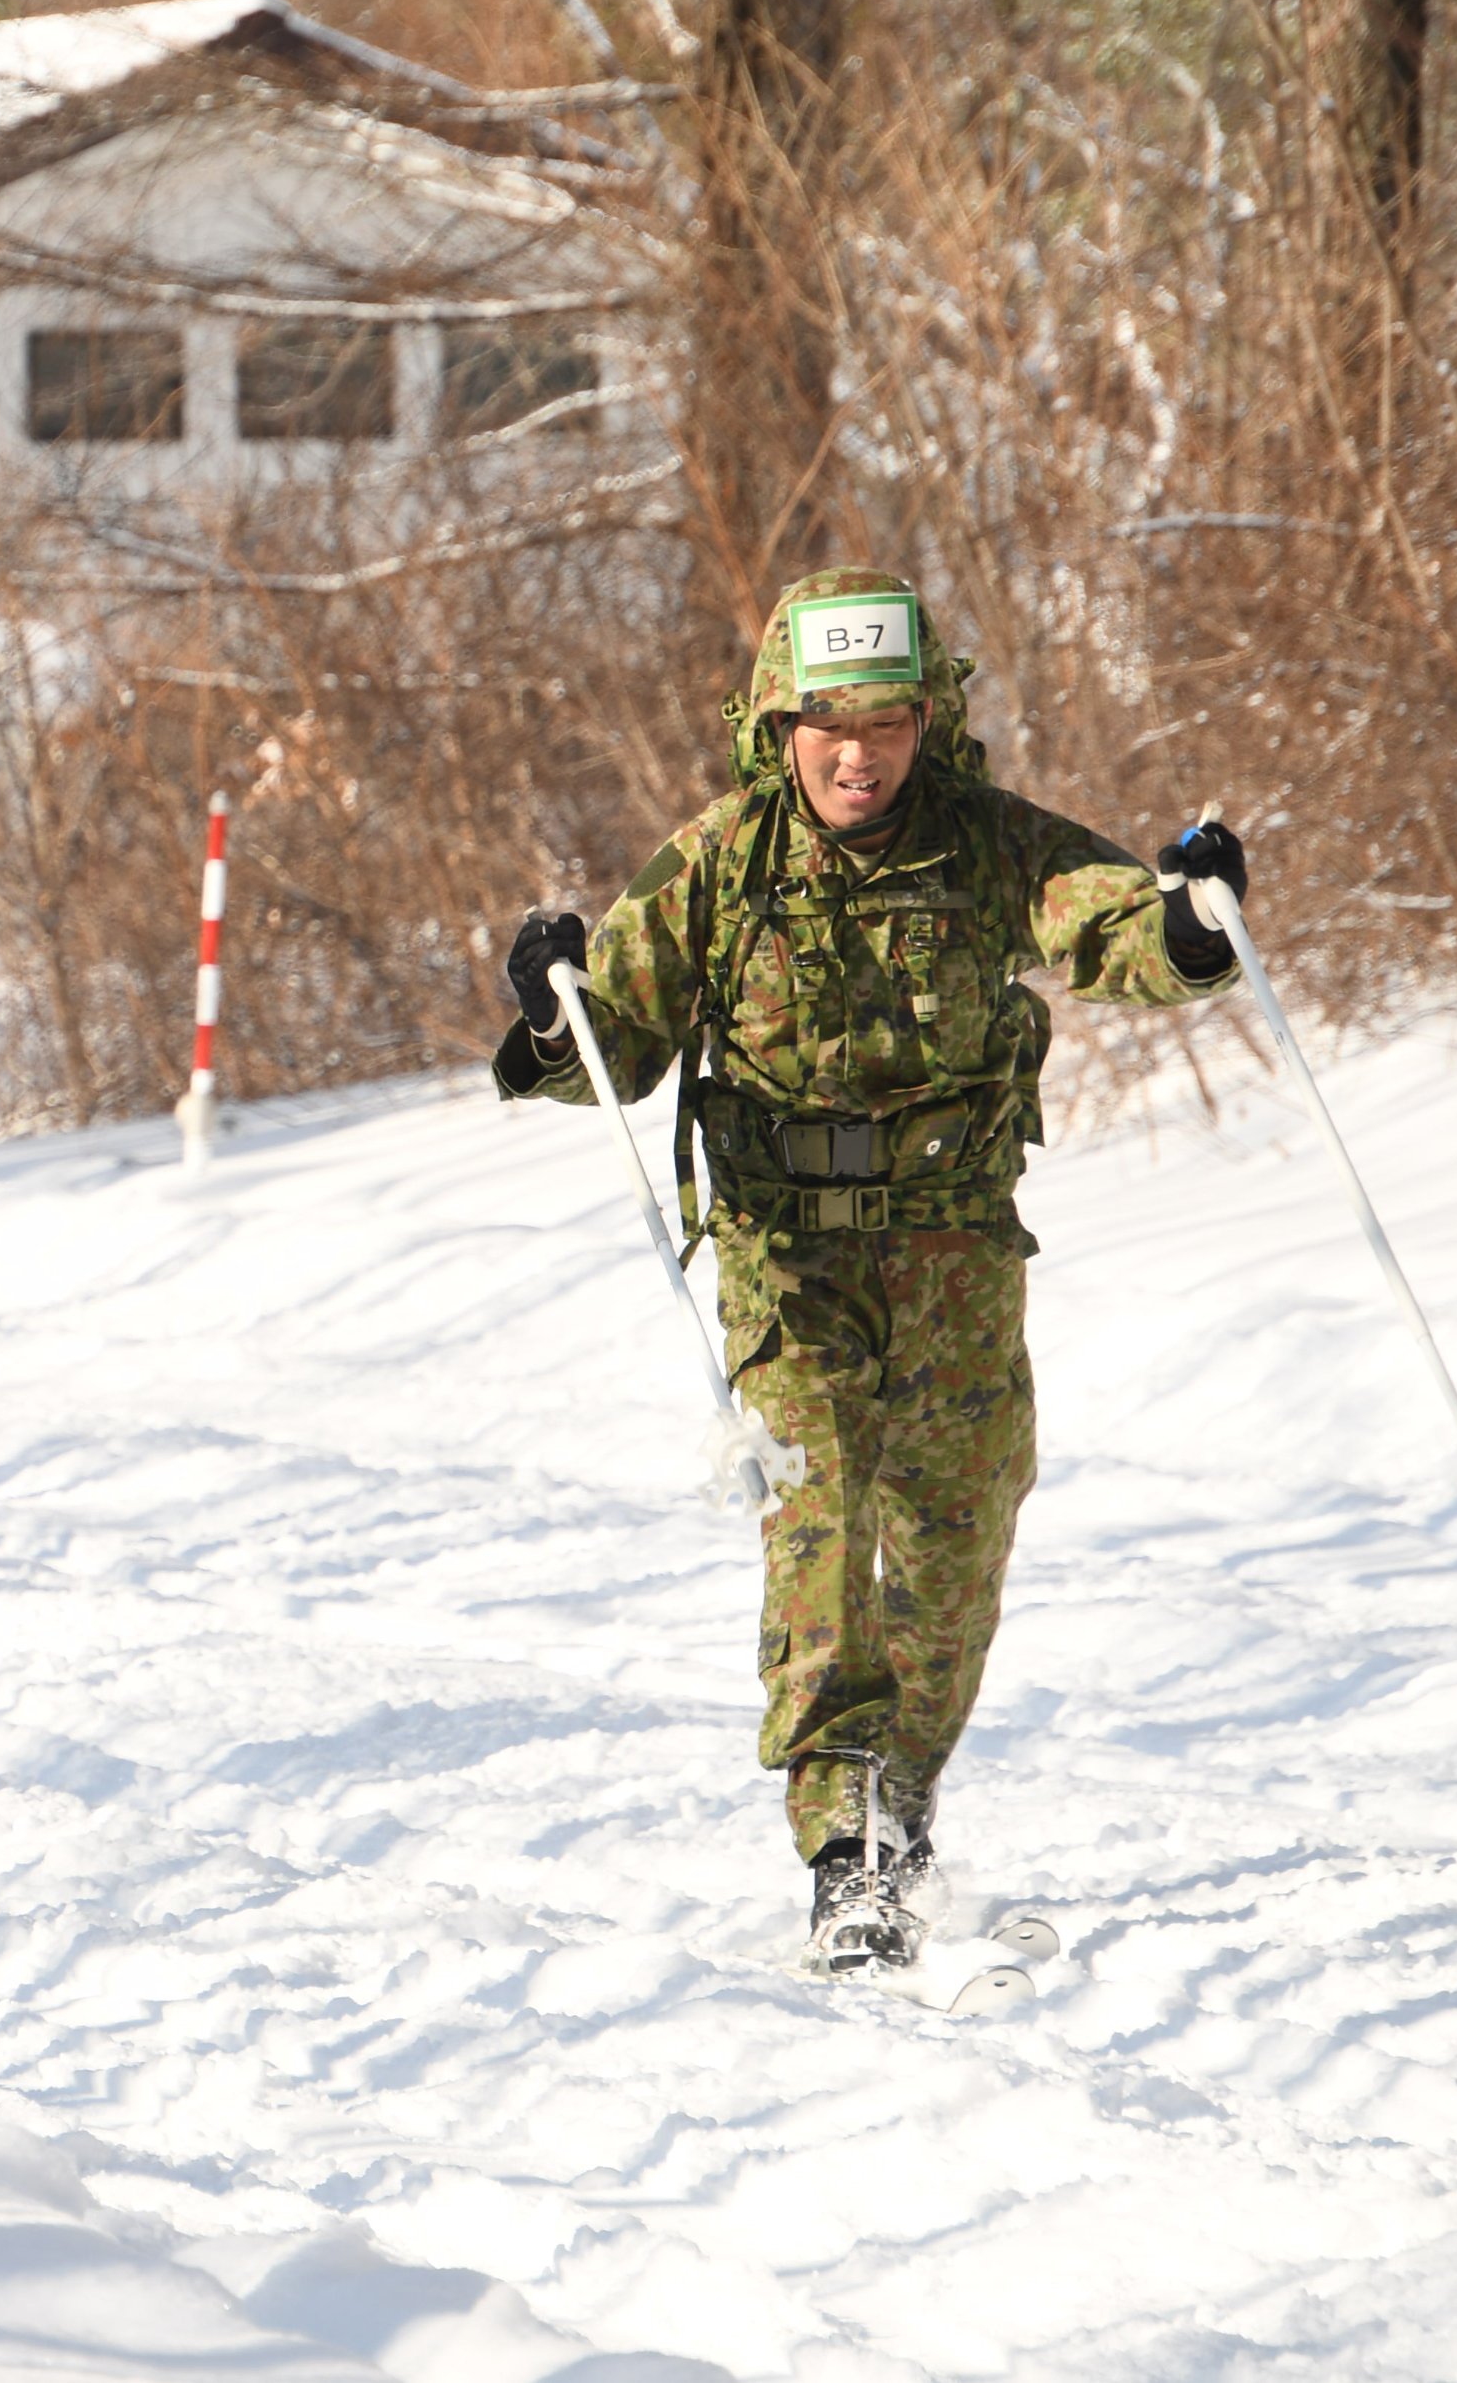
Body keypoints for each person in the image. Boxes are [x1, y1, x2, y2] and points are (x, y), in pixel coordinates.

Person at [494, 567, 1247, 1975]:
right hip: (793, 1262)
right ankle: (842, 1855)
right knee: (824, 1521)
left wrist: (1197, 917)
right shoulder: (721, 859)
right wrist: (555, 1000)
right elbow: (616, 1044)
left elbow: (1120, 929)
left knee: (959, 1542)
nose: (859, 752)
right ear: (777, 725)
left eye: (887, 719)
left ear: (927, 718)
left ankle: (905, 1802)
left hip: (959, 1254)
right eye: (827, 722)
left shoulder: (985, 842)